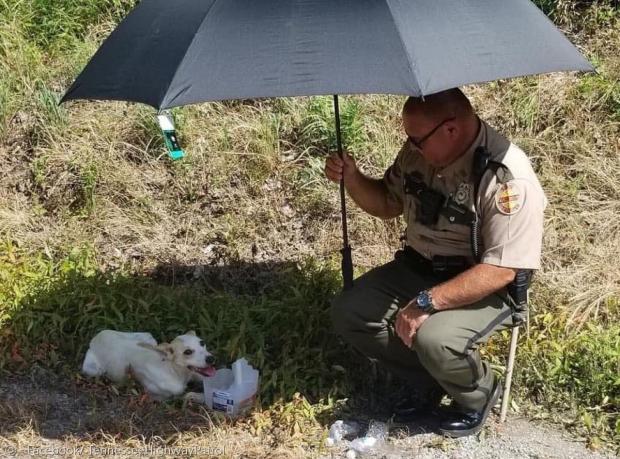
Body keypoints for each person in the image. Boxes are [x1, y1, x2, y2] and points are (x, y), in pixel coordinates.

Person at [325, 88, 546, 438]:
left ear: (451, 129)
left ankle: (477, 395)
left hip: (482, 285)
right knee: (351, 311)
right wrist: (352, 178)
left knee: (434, 338)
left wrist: (426, 303)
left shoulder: (506, 177)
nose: (411, 146)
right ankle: (429, 379)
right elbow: (387, 203)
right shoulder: (420, 154)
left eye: (417, 139)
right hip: (417, 268)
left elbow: (503, 268)